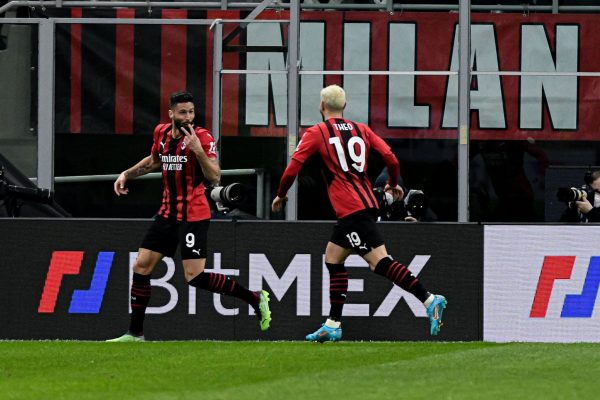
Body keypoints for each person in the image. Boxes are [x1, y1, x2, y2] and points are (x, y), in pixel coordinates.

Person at [271, 84, 446, 342]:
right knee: (333, 257)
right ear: (345, 106)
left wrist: (282, 194)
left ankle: (429, 299)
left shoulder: (316, 132)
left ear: (321, 106)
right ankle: (333, 324)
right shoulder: (360, 129)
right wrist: (393, 183)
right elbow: (391, 158)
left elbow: (292, 169)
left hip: (353, 210)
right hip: (361, 205)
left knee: (379, 262)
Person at [107, 91, 271, 342]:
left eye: (191, 112)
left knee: (194, 277)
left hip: (193, 215)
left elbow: (215, 176)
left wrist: (198, 151)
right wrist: (127, 174)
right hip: (167, 213)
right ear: (171, 113)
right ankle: (135, 333)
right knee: (141, 266)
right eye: (182, 112)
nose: (188, 117)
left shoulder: (202, 137)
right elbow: (154, 161)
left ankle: (254, 297)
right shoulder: (161, 133)